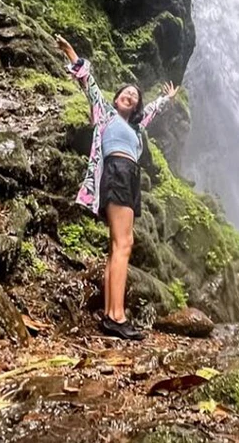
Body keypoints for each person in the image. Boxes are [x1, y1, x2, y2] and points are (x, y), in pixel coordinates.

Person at [56, 34, 179, 340]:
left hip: (130, 177)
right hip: (117, 172)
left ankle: (112, 315)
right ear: (116, 99)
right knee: (124, 245)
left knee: (118, 246)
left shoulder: (136, 128)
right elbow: (89, 83)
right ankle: (117, 315)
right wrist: (72, 53)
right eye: (125, 92)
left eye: (134, 96)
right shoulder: (105, 114)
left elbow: (152, 110)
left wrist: (167, 99)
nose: (130, 96)